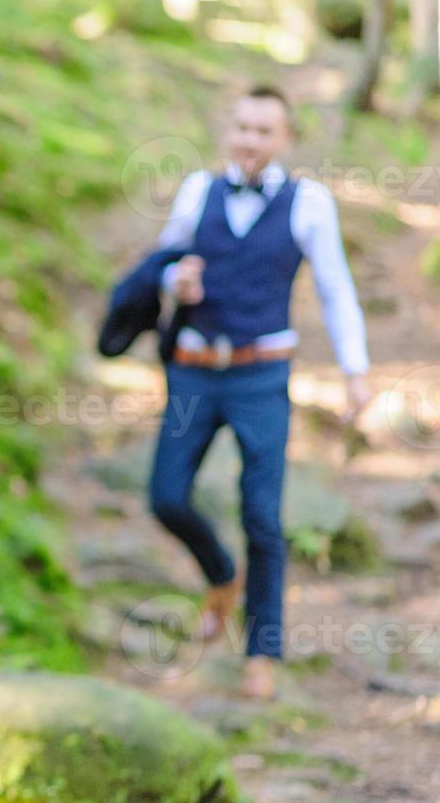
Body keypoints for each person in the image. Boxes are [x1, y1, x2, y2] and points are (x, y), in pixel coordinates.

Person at [148, 85, 373, 700]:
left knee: (262, 516)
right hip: (194, 369)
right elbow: (161, 265)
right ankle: (222, 576)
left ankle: (261, 650)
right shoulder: (199, 191)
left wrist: (356, 370)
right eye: (241, 126)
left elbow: (335, 287)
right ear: (229, 130)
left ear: (285, 139)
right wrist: (175, 278)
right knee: (165, 497)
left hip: (262, 375)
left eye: (263, 130)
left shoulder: (309, 203)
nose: (249, 138)